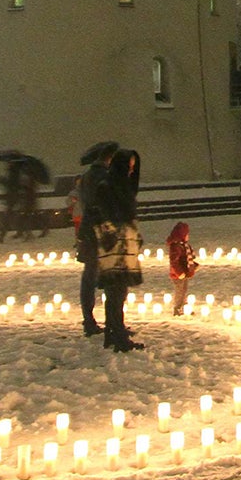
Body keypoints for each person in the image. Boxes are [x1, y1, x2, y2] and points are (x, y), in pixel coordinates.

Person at [92, 149, 146, 352]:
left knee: (118, 292)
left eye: (134, 167)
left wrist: (134, 235)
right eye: (129, 166)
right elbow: (105, 215)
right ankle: (117, 335)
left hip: (125, 245)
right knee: (115, 291)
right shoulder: (107, 186)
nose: (132, 171)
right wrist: (115, 233)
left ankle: (114, 332)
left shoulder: (123, 186)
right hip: (115, 247)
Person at [70, 148, 112, 336]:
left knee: (89, 276)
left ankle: (89, 319)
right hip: (101, 232)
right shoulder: (103, 176)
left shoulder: (87, 176)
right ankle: (112, 323)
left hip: (88, 230)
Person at [165, 221, 197, 313]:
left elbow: (186, 259)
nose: (188, 236)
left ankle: (184, 306)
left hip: (184, 272)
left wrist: (194, 265)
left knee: (184, 290)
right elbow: (174, 262)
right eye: (187, 234)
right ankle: (178, 308)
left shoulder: (183, 245)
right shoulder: (176, 246)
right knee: (180, 291)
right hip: (178, 274)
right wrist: (179, 272)